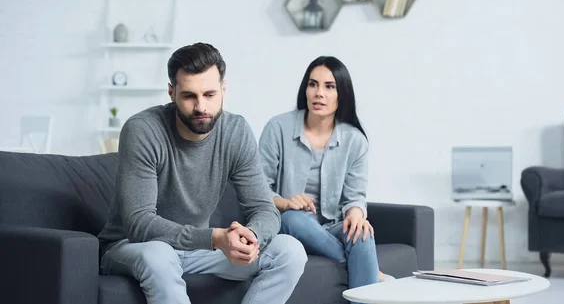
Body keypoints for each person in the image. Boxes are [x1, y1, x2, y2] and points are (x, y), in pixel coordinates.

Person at [97, 42, 307, 304]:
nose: (201, 107)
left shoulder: (236, 131)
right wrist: (215, 238)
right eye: (189, 96)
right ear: (172, 93)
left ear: (224, 90)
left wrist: (250, 236)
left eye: (209, 94)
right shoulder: (143, 130)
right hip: (134, 246)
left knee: (290, 251)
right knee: (160, 255)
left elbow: (264, 208)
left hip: (197, 250)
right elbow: (139, 224)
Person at [258, 56, 393, 296]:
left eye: (329, 86)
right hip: (288, 223)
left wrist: (355, 215)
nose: (319, 93)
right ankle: (370, 272)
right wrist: (285, 202)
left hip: (331, 226)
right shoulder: (277, 128)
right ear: (305, 89)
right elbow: (256, 190)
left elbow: (355, 196)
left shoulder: (355, 140)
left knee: (362, 232)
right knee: (293, 218)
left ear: (342, 94)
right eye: (313, 84)